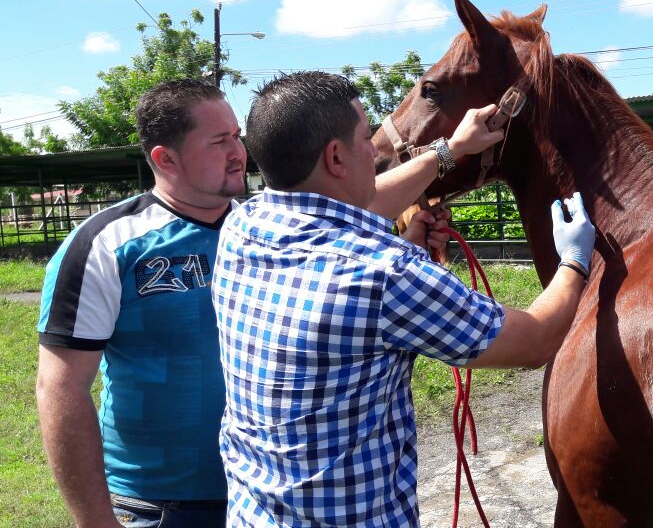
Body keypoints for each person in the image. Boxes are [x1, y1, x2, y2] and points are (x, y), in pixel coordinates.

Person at [33, 79, 461, 528]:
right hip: (159, 505)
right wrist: (96, 522)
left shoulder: (259, 225)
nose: (239, 151)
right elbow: (60, 388)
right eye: (220, 142)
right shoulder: (106, 244)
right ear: (165, 158)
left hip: (266, 499)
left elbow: (362, 199)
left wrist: (449, 155)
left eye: (237, 135)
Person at [211, 71, 595, 526]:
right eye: (362, 137)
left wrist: (450, 149)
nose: (374, 149)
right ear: (335, 156)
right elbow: (533, 341)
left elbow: (353, 212)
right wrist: (573, 259)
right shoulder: (384, 273)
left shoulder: (243, 226)